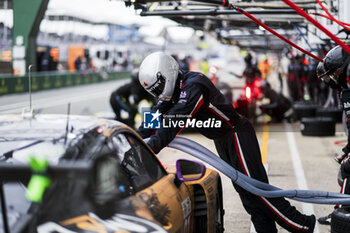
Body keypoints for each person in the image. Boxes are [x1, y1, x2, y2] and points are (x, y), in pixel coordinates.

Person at [136, 51, 316, 233]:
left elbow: (174, 121)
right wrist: (135, 137)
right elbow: (156, 113)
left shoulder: (193, 86)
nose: (159, 93)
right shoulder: (176, 90)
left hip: (237, 135)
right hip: (224, 139)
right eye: (155, 91)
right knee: (248, 195)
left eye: (159, 88)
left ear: (167, 73)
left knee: (258, 192)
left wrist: (149, 147)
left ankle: (302, 225)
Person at [316, 45, 350, 225]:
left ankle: (340, 212)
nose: (330, 81)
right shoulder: (345, 88)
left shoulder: (347, 91)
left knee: (347, 170)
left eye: (331, 76)